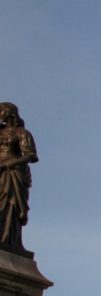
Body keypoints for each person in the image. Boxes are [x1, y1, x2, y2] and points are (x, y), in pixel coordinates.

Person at [0, 102, 38, 253]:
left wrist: (11, 163)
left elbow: (30, 155)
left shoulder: (22, 133)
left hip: (12, 175)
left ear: (9, 113)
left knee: (7, 207)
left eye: (1, 111)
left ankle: (7, 240)